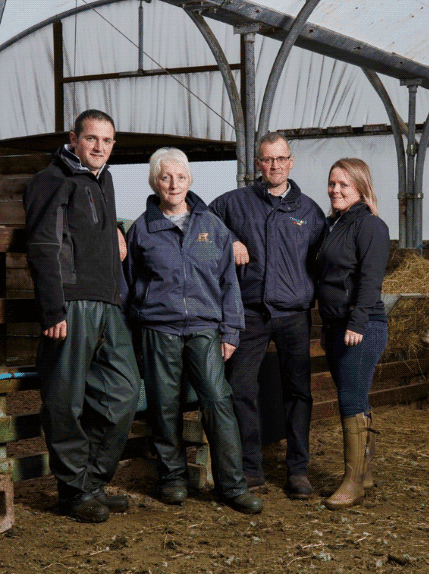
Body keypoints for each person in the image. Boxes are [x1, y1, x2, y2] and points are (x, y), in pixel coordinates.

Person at [123, 148, 263, 515]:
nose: (173, 184)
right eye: (166, 177)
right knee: (164, 405)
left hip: (204, 328)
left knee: (218, 401)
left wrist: (231, 331)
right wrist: (136, 329)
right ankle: (172, 479)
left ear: (189, 180)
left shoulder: (212, 227)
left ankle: (232, 486)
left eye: (180, 177)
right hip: (158, 328)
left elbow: (228, 282)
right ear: (155, 181)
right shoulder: (142, 228)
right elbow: (130, 284)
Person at [24, 109, 140, 523]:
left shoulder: (102, 181)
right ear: (74, 138)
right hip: (71, 305)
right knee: (65, 399)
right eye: (92, 139)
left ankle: (91, 481)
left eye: (107, 141)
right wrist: (53, 307)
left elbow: (89, 229)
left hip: (108, 304)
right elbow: (44, 245)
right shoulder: (50, 181)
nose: (100, 148)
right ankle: (74, 491)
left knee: (125, 391)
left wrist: (116, 229)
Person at [209, 132, 326, 498]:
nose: (274, 166)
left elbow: (325, 260)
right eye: (267, 159)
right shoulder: (234, 203)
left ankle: (297, 470)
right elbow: (198, 216)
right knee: (241, 387)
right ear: (257, 164)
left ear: (291, 162)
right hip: (251, 311)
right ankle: (250, 467)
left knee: (298, 391)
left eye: (280, 159)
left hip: (293, 314)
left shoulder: (309, 211)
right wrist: (230, 240)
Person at [315, 158, 390, 510]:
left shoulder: (370, 226)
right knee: (356, 396)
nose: (336, 190)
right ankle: (365, 473)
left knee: (350, 401)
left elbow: (370, 280)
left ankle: (353, 482)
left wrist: (357, 323)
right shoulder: (334, 225)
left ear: (360, 186)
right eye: (332, 183)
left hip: (361, 327)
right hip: (336, 326)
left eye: (344, 184)